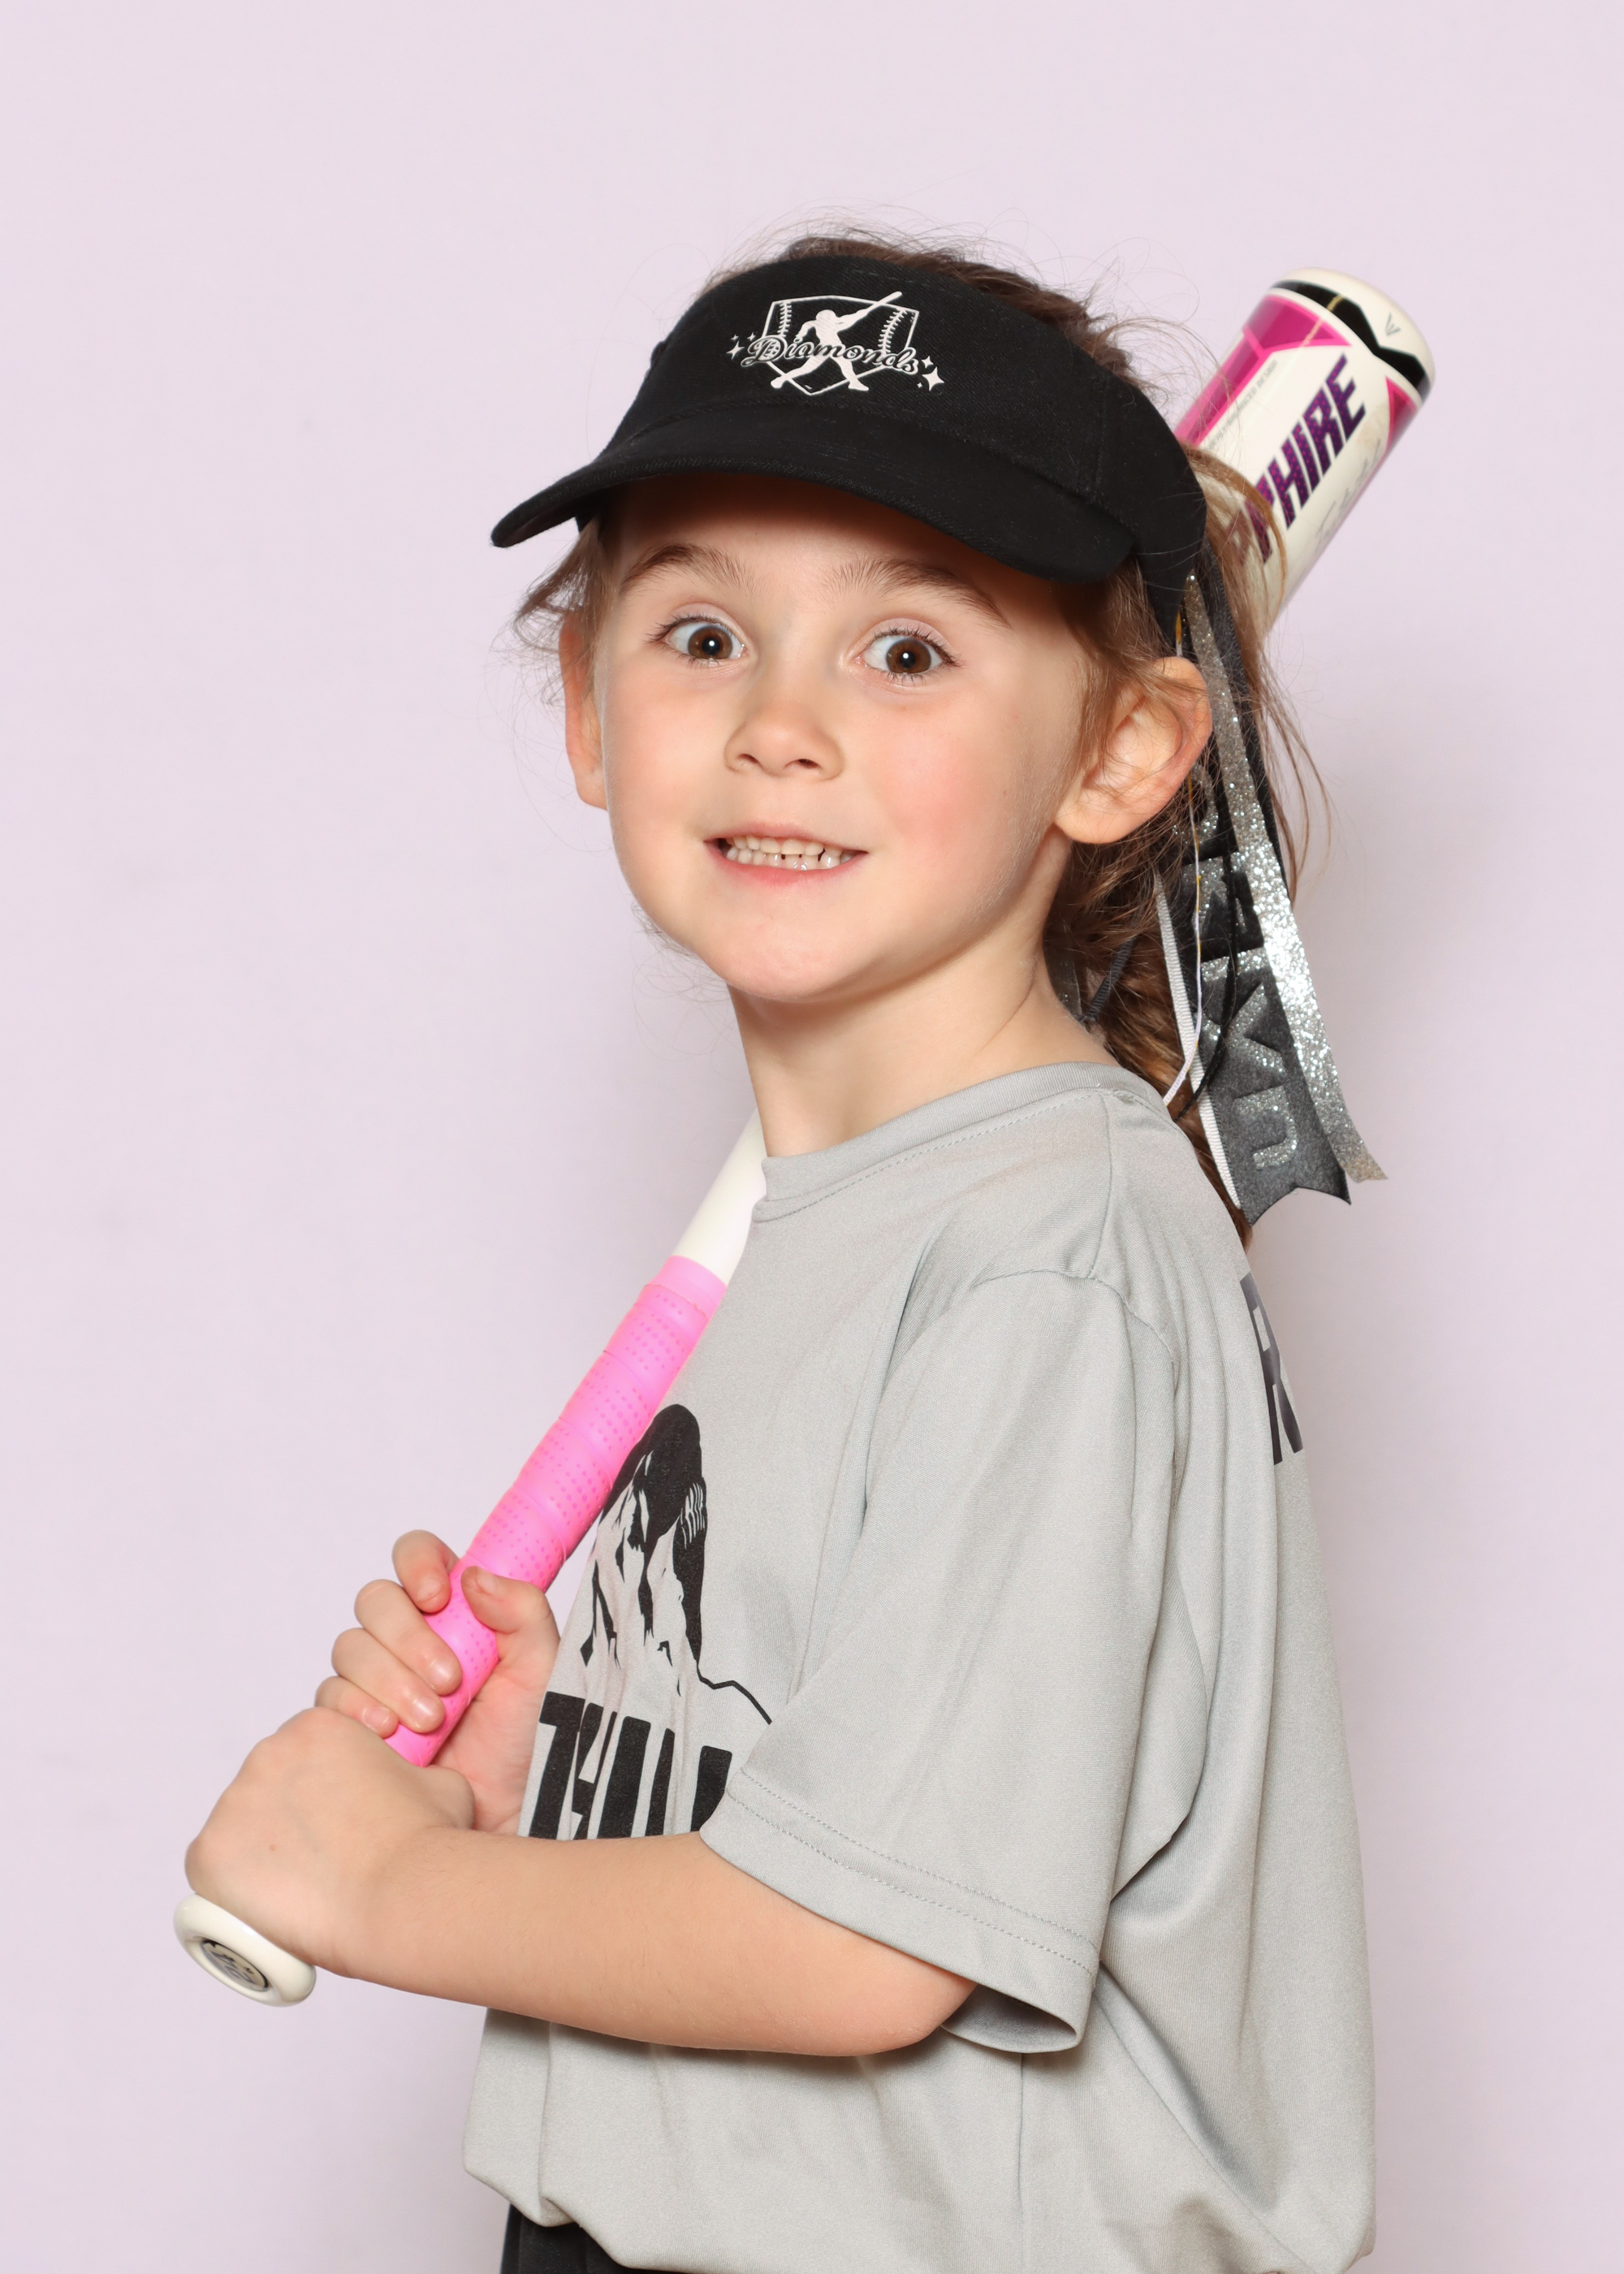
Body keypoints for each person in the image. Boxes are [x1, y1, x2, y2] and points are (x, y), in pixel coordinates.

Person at [185, 231, 1376, 2274]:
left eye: (906, 649)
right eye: (702, 632)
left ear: (1117, 750)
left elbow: (862, 1944)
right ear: (588, 703)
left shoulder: (1050, 1262)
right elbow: (863, 1814)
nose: (780, 724)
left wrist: (380, 1884)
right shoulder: (863, 1214)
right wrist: (576, 1765)